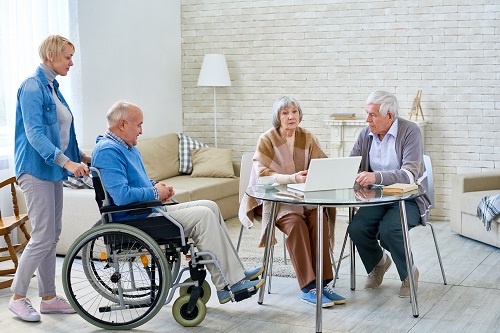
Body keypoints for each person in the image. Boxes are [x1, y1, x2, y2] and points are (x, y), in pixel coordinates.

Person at [91, 100, 264, 305]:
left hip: (147, 210)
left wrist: (158, 188)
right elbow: (121, 196)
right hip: (135, 219)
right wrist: (155, 192)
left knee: (210, 206)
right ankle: (229, 284)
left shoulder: (126, 148)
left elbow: (139, 182)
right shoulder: (108, 151)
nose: (141, 131)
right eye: (138, 125)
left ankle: (234, 273)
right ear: (122, 124)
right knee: (204, 216)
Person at [11, 35, 91, 322]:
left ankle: (48, 298)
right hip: (35, 170)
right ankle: (18, 297)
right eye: (67, 56)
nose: (71, 62)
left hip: (52, 170)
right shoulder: (32, 87)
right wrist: (66, 162)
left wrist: (81, 156)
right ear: (50, 55)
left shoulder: (53, 87)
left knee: (51, 235)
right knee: (43, 236)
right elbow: (35, 134)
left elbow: (61, 131)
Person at [239, 96, 346, 307]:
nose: (291, 116)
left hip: (304, 198)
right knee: (296, 225)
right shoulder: (267, 139)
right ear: (278, 117)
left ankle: (323, 284)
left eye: (294, 112)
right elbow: (262, 176)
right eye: (285, 113)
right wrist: (292, 178)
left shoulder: (307, 137)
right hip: (275, 200)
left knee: (319, 218)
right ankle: (308, 288)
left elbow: (322, 164)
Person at [348, 90, 431, 297]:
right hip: (378, 199)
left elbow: (410, 174)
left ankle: (408, 274)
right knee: (357, 228)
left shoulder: (410, 131)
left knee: (389, 230)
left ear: (389, 116)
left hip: (410, 198)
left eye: (372, 115)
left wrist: (376, 177)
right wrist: (353, 176)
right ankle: (379, 263)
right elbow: (352, 166)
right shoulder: (365, 134)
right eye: (367, 114)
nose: (367, 119)